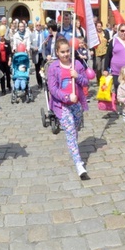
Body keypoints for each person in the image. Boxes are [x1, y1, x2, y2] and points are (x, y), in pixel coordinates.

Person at [47, 37, 90, 180]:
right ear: (57, 53)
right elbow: (52, 89)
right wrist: (66, 97)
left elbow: (85, 82)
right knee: (70, 130)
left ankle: (73, 148)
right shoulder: (54, 67)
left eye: (67, 51)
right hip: (62, 106)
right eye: (62, 52)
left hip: (76, 105)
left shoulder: (76, 64)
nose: (66, 54)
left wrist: (77, 76)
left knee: (75, 129)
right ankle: (79, 164)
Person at [103, 23, 125, 93]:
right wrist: (105, 69)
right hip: (116, 72)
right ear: (118, 31)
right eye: (122, 31)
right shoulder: (113, 41)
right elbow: (108, 56)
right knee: (119, 91)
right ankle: (118, 103)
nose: (124, 33)